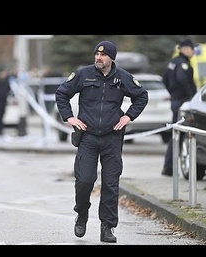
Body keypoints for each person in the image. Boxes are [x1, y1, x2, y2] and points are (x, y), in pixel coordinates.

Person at [55, 40, 149, 243]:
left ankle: (107, 227)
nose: (98, 58)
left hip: (112, 138)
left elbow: (141, 96)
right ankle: (82, 214)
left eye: (103, 55)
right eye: (97, 55)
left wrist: (128, 117)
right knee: (84, 181)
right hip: (87, 137)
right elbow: (62, 93)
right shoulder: (83, 74)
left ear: (111, 58)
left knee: (110, 184)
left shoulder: (122, 78)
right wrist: (70, 118)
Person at [161, 39, 198, 176]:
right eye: (192, 48)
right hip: (183, 102)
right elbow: (183, 80)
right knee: (179, 134)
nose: (193, 51)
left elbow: (165, 79)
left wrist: (172, 94)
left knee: (175, 134)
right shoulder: (183, 64)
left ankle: (168, 167)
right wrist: (192, 97)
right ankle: (170, 167)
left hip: (176, 100)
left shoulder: (173, 62)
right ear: (185, 49)